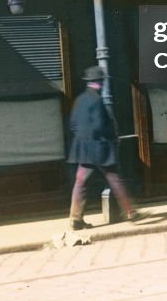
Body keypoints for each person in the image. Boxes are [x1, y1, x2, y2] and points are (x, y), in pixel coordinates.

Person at [67, 65, 139, 229]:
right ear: (99, 82)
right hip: (100, 149)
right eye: (101, 82)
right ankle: (130, 212)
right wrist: (112, 138)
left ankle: (75, 218)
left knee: (80, 182)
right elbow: (101, 126)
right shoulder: (97, 101)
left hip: (84, 149)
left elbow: (72, 125)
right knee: (114, 178)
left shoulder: (80, 100)